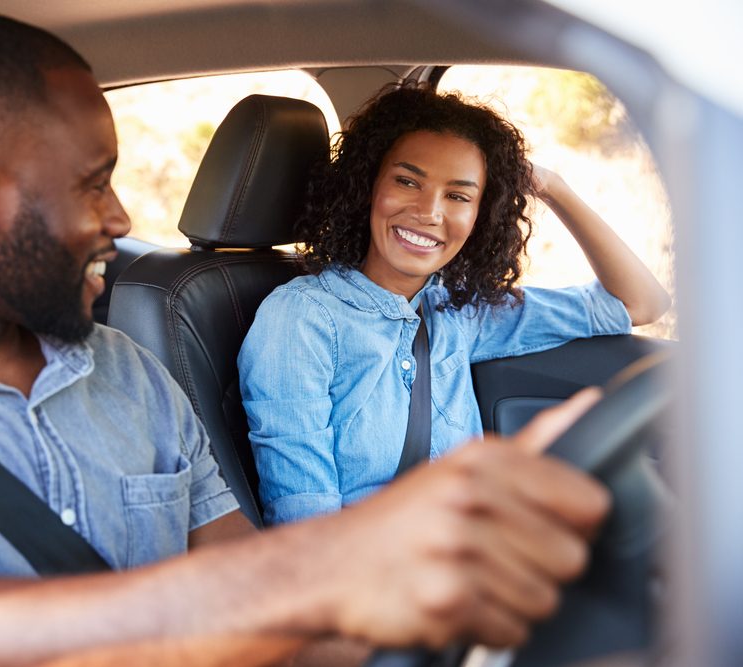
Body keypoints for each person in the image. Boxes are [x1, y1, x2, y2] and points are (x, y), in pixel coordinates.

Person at [0, 11, 611, 667]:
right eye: (93, 186)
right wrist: (338, 564)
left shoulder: (129, 371)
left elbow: (260, 602)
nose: (122, 222)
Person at [239, 85, 670, 526]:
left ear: (481, 216)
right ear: (369, 187)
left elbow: (641, 302)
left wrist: (554, 189)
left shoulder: (458, 310)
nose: (429, 212)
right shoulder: (300, 319)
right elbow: (306, 525)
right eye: (407, 181)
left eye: (458, 196)